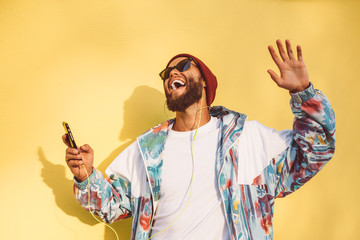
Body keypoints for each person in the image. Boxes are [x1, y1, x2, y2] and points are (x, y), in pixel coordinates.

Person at [63, 39, 336, 240]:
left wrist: (304, 93)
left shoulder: (247, 138)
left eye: (182, 66)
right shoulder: (147, 151)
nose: (172, 74)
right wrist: (86, 176)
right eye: (166, 73)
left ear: (204, 81)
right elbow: (113, 206)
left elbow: (314, 152)